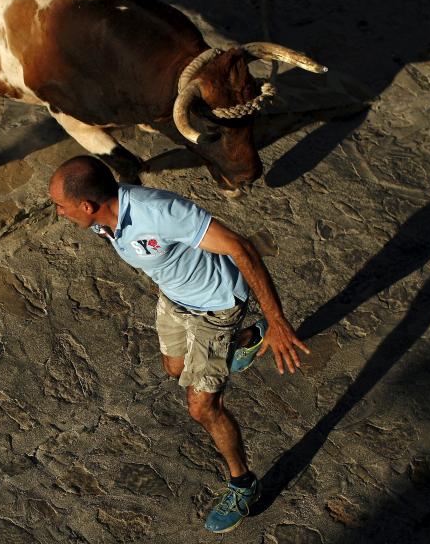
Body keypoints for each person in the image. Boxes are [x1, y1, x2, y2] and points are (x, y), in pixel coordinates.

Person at [49, 155, 310, 533]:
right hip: (173, 300)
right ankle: (246, 340)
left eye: (61, 206)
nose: (59, 213)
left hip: (216, 308)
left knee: (202, 407)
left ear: (87, 206)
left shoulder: (160, 212)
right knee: (174, 369)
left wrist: (278, 321)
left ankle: (243, 485)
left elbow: (240, 247)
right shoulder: (102, 221)